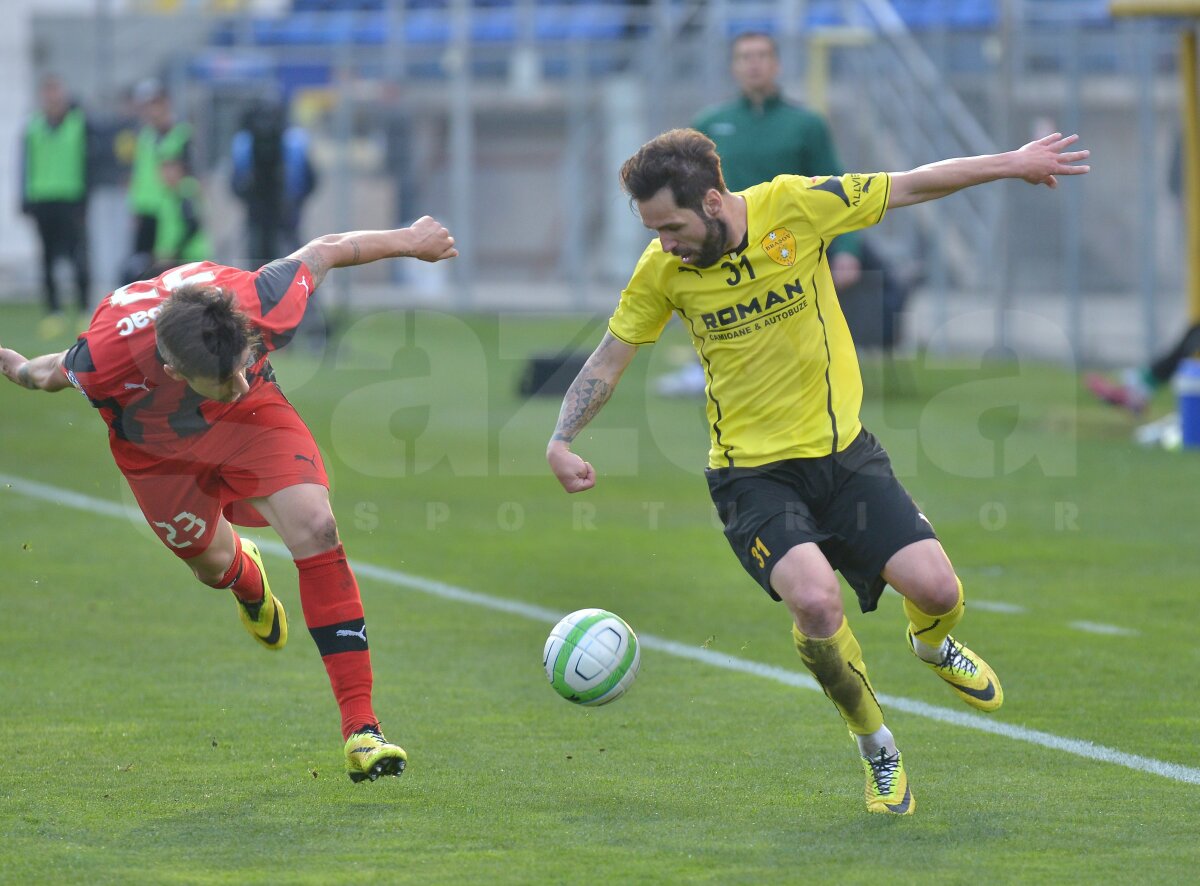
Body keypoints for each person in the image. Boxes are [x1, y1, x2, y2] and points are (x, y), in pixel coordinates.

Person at [546, 128, 1089, 814]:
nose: (664, 241)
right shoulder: (663, 270)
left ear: (715, 200)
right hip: (750, 476)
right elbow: (608, 359)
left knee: (938, 588)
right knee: (815, 601)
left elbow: (913, 182)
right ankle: (877, 748)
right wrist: (563, 437)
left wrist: (1012, 162)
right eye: (652, 228)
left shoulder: (797, 207)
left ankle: (932, 642)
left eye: (672, 225)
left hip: (844, 456)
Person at [0, 216, 458, 783]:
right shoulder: (105, 360)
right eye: (224, 378)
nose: (237, 380)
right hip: (156, 456)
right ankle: (245, 577)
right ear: (170, 369)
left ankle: (362, 730)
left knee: (317, 529)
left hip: (251, 423)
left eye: (241, 365)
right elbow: (47, 373)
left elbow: (325, 250)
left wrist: (410, 242)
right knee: (211, 563)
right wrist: (15, 366)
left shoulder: (256, 303)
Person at [658, 31, 868, 396]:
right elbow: (685, 187)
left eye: (761, 56)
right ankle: (706, 370)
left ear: (777, 64)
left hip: (786, 244)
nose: (753, 64)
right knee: (717, 308)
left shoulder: (806, 125)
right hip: (723, 241)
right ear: (734, 67)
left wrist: (848, 248)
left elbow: (837, 189)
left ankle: (804, 378)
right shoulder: (710, 123)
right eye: (744, 57)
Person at [20, 74, 93, 337]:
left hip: (71, 198)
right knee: (47, 258)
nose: (52, 99)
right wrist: (25, 198)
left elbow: (88, 162)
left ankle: (84, 308)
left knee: (78, 255)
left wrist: (86, 198)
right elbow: (26, 164)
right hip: (43, 198)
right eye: (48, 93)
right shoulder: (34, 127)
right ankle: (54, 312)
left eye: (56, 93)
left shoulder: (77, 123)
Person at [123, 78, 192, 284]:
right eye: (148, 106)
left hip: (170, 212)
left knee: (170, 268)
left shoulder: (182, 135)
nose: (153, 111)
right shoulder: (145, 136)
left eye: (156, 104)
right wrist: (134, 207)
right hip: (147, 210)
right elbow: (139, 175)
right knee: (141, 271)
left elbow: (189, 175)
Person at [231, 101, 318, 263]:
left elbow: (235, 183)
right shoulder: (248, 145)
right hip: (267, 211)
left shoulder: (290, 144)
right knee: (283, 258)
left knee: (286, 256)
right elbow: (311, 180)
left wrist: (295, 202)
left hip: (279, 210)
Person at [1085, 323, 1200, 415]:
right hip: (1154, 375)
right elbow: (1142, 408)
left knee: (1180, 351)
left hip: (1151, 374)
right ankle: (1195, 331)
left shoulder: (1129, 388)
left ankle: (1194, 330)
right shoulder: (1134, 395)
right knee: (1180, 352)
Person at [151, 156, 211, 275]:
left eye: (170, 169)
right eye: (163, 169)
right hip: (176, 259)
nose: (166, 174)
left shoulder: (185, 191)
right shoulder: (169, 193)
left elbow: (192, 225)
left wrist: (174, 252)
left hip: (189, 257)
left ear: (180, 170)